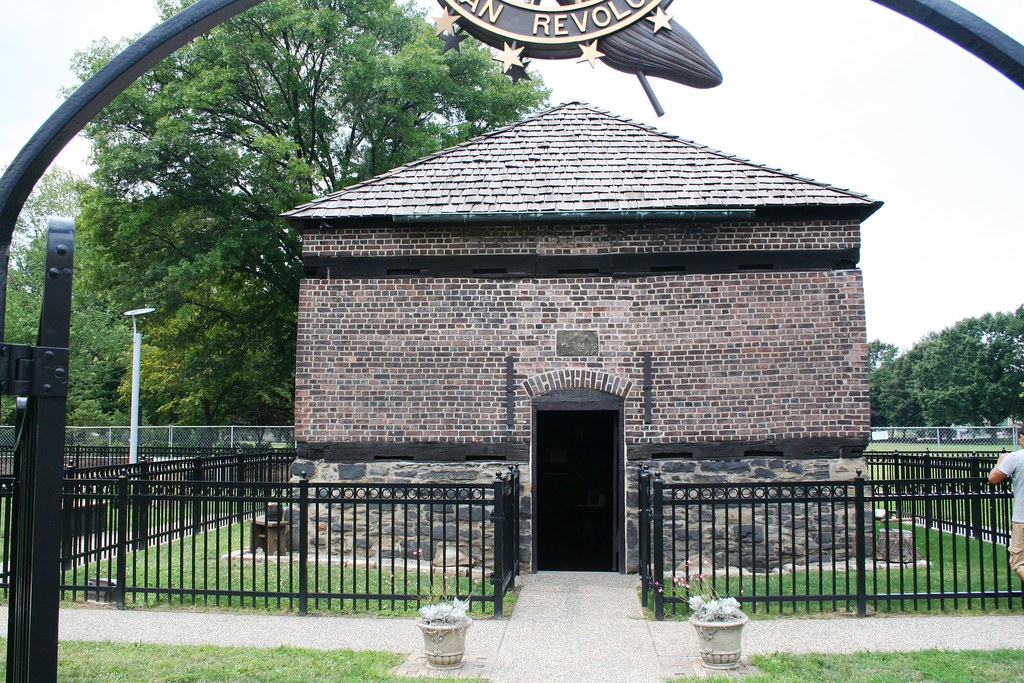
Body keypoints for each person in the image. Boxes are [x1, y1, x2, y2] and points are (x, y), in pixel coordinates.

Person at [988, 430, 1024, 582]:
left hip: (1022, 518)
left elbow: (993, 478)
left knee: (1019, 562)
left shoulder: (1015, 457)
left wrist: (1001, 460)